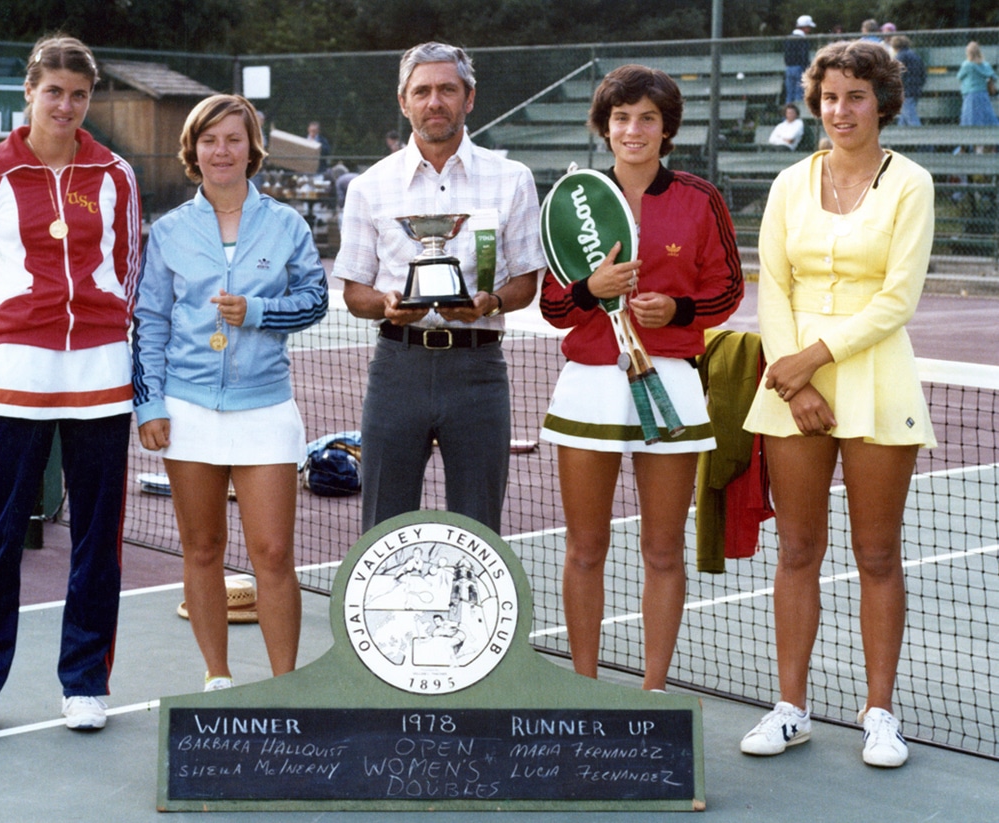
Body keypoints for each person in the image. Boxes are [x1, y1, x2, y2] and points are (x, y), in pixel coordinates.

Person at [741, 40, 935, 769]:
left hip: (876, 379)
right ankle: (790, 709)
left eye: (855, 96)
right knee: (797, 550)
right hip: (792, 388)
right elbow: (775, 285)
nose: (840, 110)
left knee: (877, 554)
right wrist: (794, 383)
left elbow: (896, 300)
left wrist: (810, 361)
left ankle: (879, 714)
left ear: (882, 103)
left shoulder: (910, 183)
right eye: (829, 97)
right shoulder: (789, 182)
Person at [0, 34, 141, 742]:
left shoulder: (115, 173)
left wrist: (97, 333)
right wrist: (18, 337)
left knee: (97, 535)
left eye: (79, 94)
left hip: (100, 372)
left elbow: (129, 268)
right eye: (53, 91)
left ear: (90, 99)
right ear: (29, 92)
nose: (65, 105)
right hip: (18, 372)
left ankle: (84, 682)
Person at [538, 64, 744, 689]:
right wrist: (590, 288)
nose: (634, 130)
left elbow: (728, 289)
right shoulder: (572, 199)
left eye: (648, 118)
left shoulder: (700, 198)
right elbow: (553, 308)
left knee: (662, 549)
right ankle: (584, 688)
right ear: (604, 127)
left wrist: (676, 310)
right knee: (585, 547)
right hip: (590, 383)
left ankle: (654, 692)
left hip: (670, 381)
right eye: (622, 117)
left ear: (666, 128)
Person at [132, 94, 328, 691]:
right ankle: (217, 677)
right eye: (210, 140)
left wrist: (260, 311)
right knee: (202, 549)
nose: (222, 151)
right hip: (187, 411)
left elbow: (315, 300)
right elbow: (149, 321)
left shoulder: (287, 224)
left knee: (273, 553)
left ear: (252, 149)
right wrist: (150, 403)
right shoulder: (169, 230)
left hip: (266, 409)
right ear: (193, 150)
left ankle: (284, 687)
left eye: (234, 139)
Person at [333, 41, 545, 535]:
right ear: (403, 101)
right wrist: (386, 304)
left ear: (469, 98)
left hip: (478, 369)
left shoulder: (513, 179)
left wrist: (490, 302)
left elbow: (525, 283)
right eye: (422, 91)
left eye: (447, 90)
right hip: (397, 368)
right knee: (384, 526)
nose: (435, 102)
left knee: (478, 527)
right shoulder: (368, 186)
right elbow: (355, 293)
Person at [957, 41, 999, 128]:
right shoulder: (985, 65)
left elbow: (959, 76)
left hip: (970, 95)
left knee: (970, 118)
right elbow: (993, 76)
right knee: (986, 116)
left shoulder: (966, 65)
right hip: (982, 94)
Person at [891, 36, 925, 127]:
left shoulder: (900, 56)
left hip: (905, 90)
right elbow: (923, 73)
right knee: (904, 115)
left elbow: (897, 74)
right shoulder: (915, 55)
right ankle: (900, 133)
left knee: (910, 115)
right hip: (916, 88)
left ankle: (919, 133)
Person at [784, 15, 816, 105]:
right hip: (799, 68)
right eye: (808, 27)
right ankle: (798, 111)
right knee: (799, 93)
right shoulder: (802, 39)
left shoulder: (789, 38)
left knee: (790, 94)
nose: (809, 30)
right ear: (805, 27)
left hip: (789, 68)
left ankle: (788, 110)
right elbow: (804, 56)